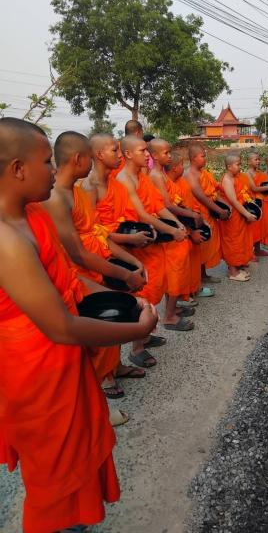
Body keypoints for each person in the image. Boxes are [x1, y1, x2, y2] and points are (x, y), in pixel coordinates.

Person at [0, 117, 157, 533]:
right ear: (17, 169)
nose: (54, 169)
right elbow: (61, 328)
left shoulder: (33, 214)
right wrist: (137, 330)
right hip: (36, 371)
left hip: (62, 360)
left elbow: (69, 279)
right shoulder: (6, 239)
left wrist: (125, 298)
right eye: (45, 162)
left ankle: (73, 521)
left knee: (77, 454)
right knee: (53, 473)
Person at [43, 131, 149, 396]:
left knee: (113, 315)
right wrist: (125, 275)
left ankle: (115, 366)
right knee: (100, 322)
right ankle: (104, 380)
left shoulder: (76, 192)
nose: (92, 164)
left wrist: (131, 261)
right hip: (79, 273)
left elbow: (97, 233)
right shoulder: (57, 198)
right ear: (79, 158)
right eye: (90, 158)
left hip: (97, 263)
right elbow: (78, 254)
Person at [83, 132, 167, 351]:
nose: (119, 155)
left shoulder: (115, 183)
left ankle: (135, 347)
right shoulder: (88, 187)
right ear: (99, 154)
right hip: (101, 256)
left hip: (122, 249)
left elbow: (126, 218)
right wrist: (129, 238)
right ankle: (132, 354)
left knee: (132, 298)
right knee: (111, 310)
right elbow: (91, 232)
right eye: (115, 150)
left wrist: (136, 234)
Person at [117, 137, 193, 333]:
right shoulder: (124, 179)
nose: (147, 155)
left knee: (157, 281)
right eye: (142, 151)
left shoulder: (142, 177)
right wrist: (172, 231)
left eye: (147, 151)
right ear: (128, 154)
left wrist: (177, 224)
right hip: (138, 238)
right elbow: (142, 214)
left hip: (152, 236)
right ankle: (139, 344)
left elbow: (158, 207)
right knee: (145, 288)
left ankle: (146, 336)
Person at [149, 139, 201, 331]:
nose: (170, 156)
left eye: (170, 152)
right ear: (155, 156)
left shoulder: (161, 174)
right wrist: (189, 215)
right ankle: (169, 316)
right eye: (166, 153)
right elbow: (166, 205)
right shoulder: (156, 176)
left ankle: (174, 307)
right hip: (168, 230)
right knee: (175, 273)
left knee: (177, 272)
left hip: (174, 226)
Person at [185, 143, 228, 284]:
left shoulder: (205, 173)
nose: (205, 158)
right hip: (199, 213)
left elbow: (214, 192)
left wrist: (226, 205)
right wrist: (219, 210)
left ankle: (203, 275)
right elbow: (201, 197)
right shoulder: (190, 174)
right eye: (202, 156)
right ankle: (197, 278)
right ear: (193, 158)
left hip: (209, 212)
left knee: (206, 245)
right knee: (200, 245)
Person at [219, 154, 256, 281]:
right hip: (232, 216)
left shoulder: (236, 178)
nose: (240, 166)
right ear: (229, 166)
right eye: (238, 164)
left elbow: (242, 194)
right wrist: (247, 214)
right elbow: (234, 201)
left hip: (239, 214)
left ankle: (238, 266)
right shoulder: (227, 180)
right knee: (232, 242)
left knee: (240, 241)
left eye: (240, 164)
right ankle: (232, 272)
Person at [246, 152, 268, 257]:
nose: (258, 161)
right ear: (249, 162)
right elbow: (254, 188)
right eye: (255, 159)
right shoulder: (248, 174)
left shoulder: (261, 174)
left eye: (259, 159)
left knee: (261, 227)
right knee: (253, 228)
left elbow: (265, 186)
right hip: (253, 202)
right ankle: (250, 252)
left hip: (262, 201)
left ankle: (258, 250)